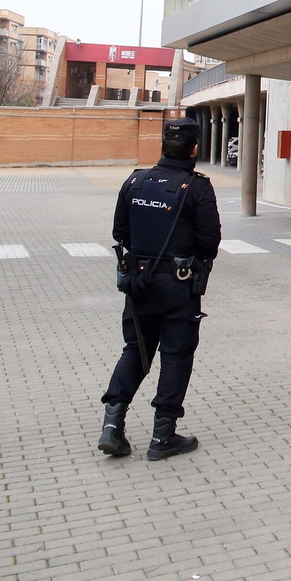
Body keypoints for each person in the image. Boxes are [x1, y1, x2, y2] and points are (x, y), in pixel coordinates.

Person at [99, 117, 221, 461]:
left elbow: (119, 232)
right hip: (178, 287)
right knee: (176, 356)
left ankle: (112, 425)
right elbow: (209, 242)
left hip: (138, 282)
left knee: (135, 351)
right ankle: (162, 436)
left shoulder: (135, 181)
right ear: (195, 149)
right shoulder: (196, 187)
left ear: (163, 145)